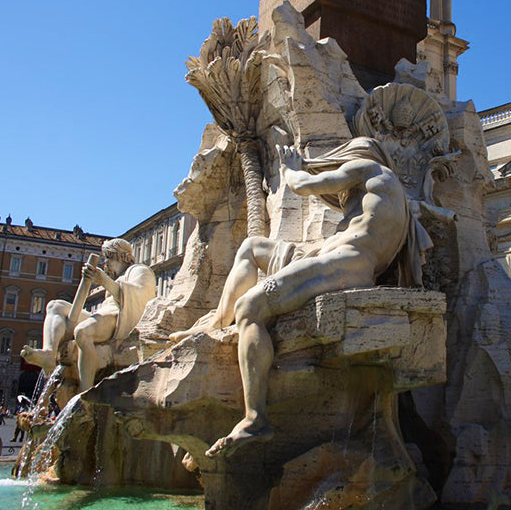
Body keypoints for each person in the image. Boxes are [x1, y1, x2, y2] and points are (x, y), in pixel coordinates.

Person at [169, 137, 429, 458]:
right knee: (252, 247)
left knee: (250, 306)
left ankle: (256, 418)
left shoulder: (370, 168)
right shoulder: (382, 201)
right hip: (328, 258)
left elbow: (305, 185)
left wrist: (291, 168)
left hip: (344, 266)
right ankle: (217, 321)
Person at [21, 239, 156, 391]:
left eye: (108, 258)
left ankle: (85, 392)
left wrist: (103, 280)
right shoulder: (116, 277)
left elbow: (140, 298)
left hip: (120, 318)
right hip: (103, 314)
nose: (106, 263)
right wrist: (101, 279)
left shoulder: (140, 270)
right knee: (55, 306)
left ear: (119, 256)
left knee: (82, 331)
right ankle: (49, 353)